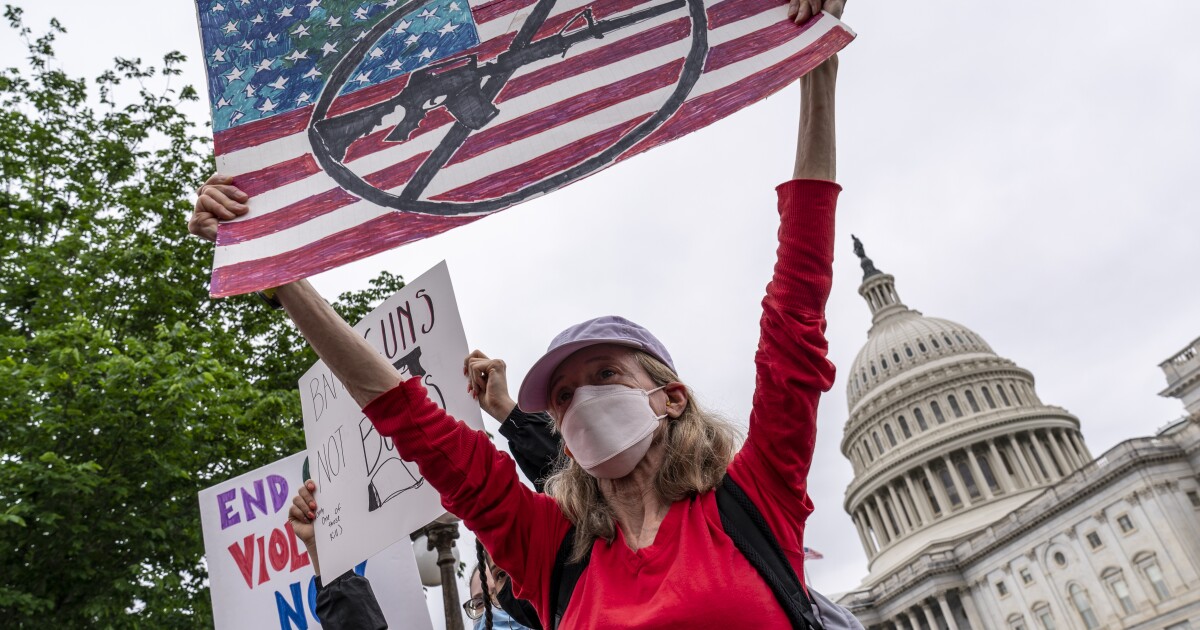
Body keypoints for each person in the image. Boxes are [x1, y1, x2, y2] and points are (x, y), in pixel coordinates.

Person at [195, 0, 846, 626]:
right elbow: (405, 415)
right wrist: (279, 272)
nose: (578, 399)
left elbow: (796, 312)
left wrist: (815, 67)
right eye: (561, 395)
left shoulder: (753, 502)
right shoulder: (550, 555)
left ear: (671, 398)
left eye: (604, 376)